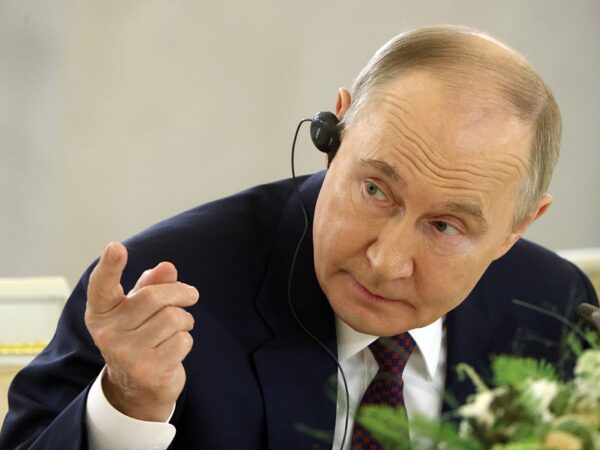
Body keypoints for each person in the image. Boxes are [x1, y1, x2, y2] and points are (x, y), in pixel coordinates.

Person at [1, 25, 598, 450]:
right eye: (375, 190)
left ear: (518, 227)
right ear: (335, 135)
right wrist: (128, 406)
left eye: (445, 226)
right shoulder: (160, 290)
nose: (385, 261)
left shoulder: (553, 306)